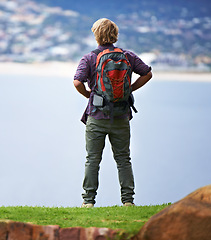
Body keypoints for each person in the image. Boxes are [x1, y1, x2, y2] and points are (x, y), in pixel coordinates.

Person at [73, 18, 152, 208]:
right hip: (121, 115)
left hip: (96, 116)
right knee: (123, 159)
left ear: (96, 35)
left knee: (93, 159)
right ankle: (128, 201)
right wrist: (130, 89)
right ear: (114, 35)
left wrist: (89, 96)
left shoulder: (90, 58)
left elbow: (77, 82)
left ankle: (88, 201)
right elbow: (147, 73)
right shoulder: (128, 55)